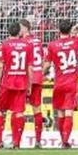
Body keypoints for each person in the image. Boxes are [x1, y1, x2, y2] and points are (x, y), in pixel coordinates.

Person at [0, 20, 34, 149]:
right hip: (21, 83)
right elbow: (30, 68)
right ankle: (16, 143)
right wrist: (30, 85)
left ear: (8, 31)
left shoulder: (4, 45)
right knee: (18, 112)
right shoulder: (27, 45)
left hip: (6, 83)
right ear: (19, 32)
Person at [45, 18, 78, 149]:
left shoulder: (52, 45)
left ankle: (63, 140)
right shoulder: (75, 41)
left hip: (59, 82)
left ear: (58, 30)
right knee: (69, 112)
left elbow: (47, 64)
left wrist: (42, 74)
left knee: (60, 113)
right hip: (72, 82)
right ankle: (65, 141)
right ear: (70, 30)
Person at [21, 19, 47, 147]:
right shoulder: (38, 41)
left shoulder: (22, 42)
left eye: (20, 28)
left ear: (25, 28)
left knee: (19, 109)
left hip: (26, 78)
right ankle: (38, 141)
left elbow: (26, 63)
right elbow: (42, 59)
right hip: (38, 76)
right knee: (37, 109)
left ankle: (16, 140)